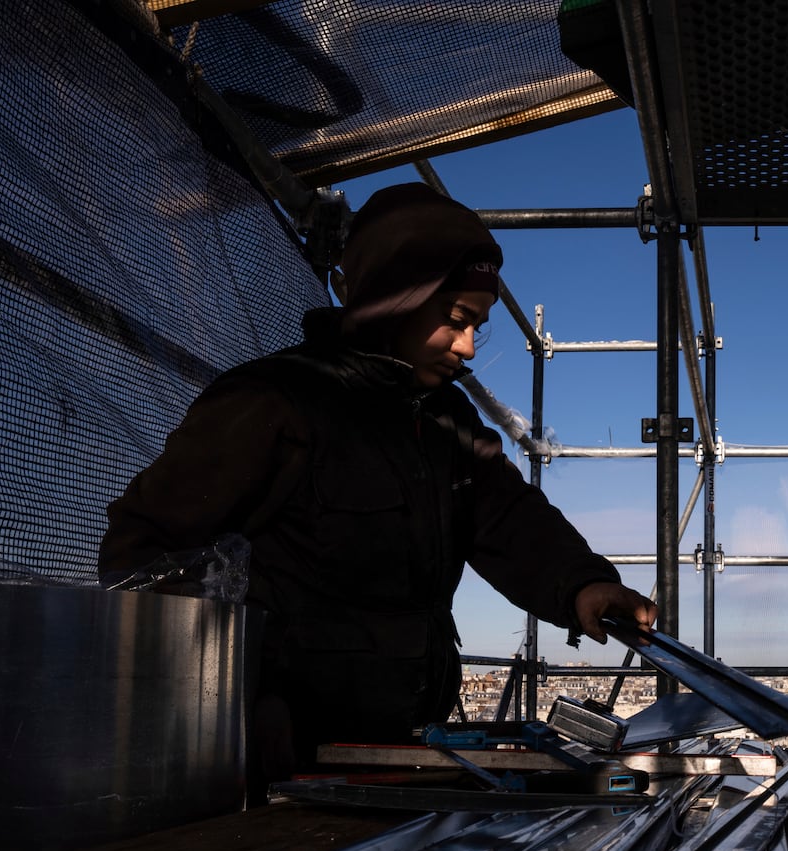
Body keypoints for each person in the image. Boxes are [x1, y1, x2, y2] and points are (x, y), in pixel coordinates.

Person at [100, 183, 656, 774]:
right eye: (456, 319)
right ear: (396, 299)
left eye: (479, 326)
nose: (468, 347)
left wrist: (582, 586)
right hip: (284, 756)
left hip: (403, 747)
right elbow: (145, 554)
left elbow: (509, 518)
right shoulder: (275, 402)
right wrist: (217, 713)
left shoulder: (446, 422)